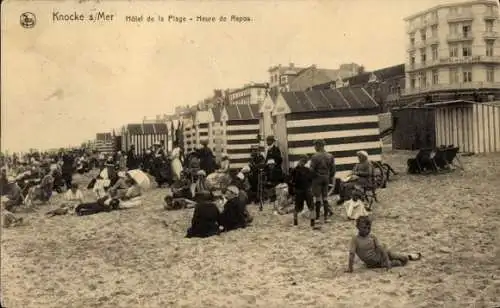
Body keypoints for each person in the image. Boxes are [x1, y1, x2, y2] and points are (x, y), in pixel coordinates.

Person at [346, 216, 422, 273]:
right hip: (373, 264)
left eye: (369, 228)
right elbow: (351, 254)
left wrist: (387, 261)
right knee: (399, 263)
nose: (367, 230)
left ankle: (409, 256)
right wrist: (350, 268)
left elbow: (381, 249)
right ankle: (407, 257)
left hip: (384, 255)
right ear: (357, 227)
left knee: (403, 259)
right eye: (364, 228)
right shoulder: (355, 239)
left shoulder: (372, 237)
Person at [310, 139, 335, 223]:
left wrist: (312, 178)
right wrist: (329, 176)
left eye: (315, 146)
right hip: (326, 178)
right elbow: (333, 170)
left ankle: (317, 218)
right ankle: (326, 217)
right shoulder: (330, 156)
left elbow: (312, 170)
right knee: (325, 197)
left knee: (317, 198)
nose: (314, 147)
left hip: (317, 179)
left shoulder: (315, 156)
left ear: (318, 146)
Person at [291, 155, 315, 227]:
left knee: (309, 207)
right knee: (300, 207)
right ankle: (296, 221)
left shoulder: (305, 170)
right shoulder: (296, 170)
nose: (302, 162)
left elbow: (311, 180)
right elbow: (293, 181)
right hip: (301, 190)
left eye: (304, 161)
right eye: (302, 160)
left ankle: (312, 222)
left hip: (304, 189)